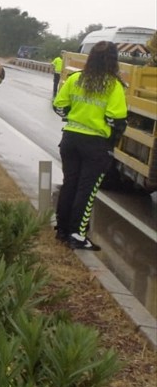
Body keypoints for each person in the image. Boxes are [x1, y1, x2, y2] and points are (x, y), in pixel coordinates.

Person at [53, 41, 127, 250]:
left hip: (70, 139)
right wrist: (109, 136)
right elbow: (117, 119)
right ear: (114, 60)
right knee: (86, 190)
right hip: (96, 144)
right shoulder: (114, 85)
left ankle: (62, 230)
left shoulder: (75, 78)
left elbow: (58, 106)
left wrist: (73, 118)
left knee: (70, 184)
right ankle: (77, 235)